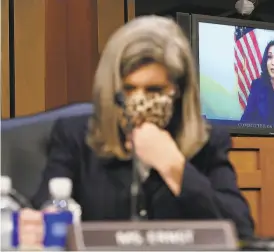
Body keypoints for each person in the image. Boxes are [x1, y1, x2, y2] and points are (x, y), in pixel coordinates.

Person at [31, 16, 254, 240]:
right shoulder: (76, 136)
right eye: (128, 89)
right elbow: (43, 214)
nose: (140, 101)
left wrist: (174, 166)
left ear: (178, 91)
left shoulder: (207, 142)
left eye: (154, 89)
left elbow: (241, 232)